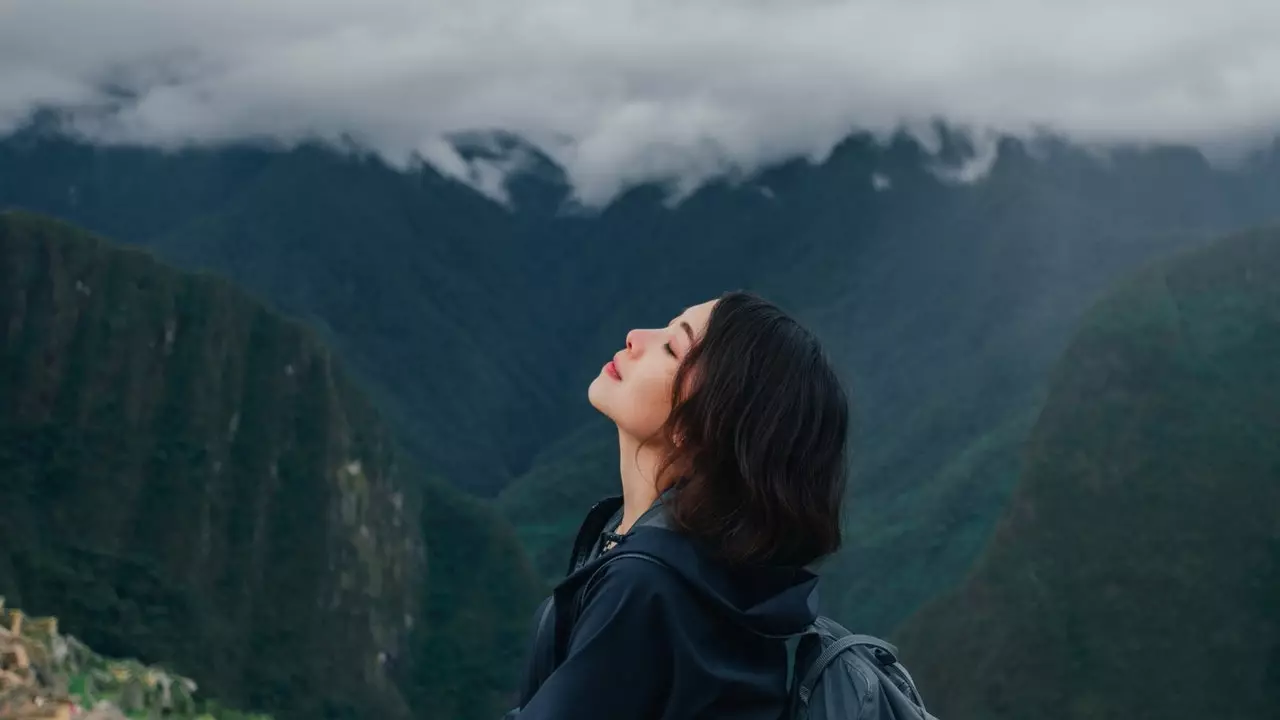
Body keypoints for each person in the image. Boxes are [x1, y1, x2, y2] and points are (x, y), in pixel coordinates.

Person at [504, 290, 851, 719]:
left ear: (706, 424)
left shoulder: (648, 584)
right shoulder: (721, 573)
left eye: (672, 348)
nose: (635, 337)